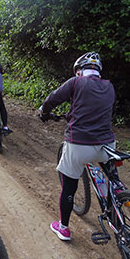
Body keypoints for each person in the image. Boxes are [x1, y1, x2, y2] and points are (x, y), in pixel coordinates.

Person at [39, 52, 121, 241]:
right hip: (107, 144)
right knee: (112, 179)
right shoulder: (109, 86)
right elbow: (104, 109)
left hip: (79, 144)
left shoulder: (75, 83)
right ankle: (117, 206)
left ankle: (64, 228)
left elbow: (52, 99)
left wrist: (44, 112)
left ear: (79, 71)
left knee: (69, 187)